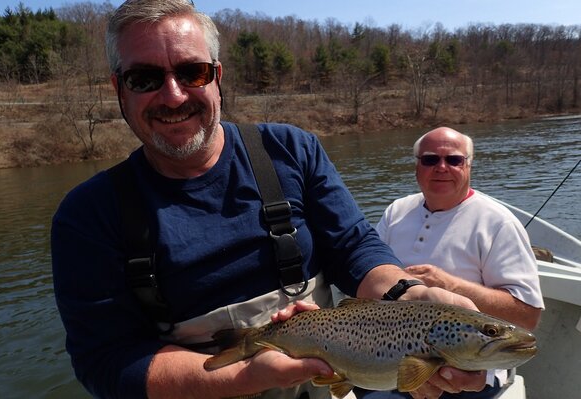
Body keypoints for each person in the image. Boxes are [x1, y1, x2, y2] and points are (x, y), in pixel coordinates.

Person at [51, 2, 485, 398]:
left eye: (192, 72)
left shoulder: (290, 150)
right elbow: (107, 363)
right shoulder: (88, 215)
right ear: (119, 89)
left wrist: (407, 296)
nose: (173, 95)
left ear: (217, 78)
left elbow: (352, 247)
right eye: (144, 78)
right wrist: (249, 375)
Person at [356, 127, 544, 399]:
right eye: (430, 159)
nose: (442, 167)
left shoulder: (499, 223)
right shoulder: (396, 211)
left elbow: (528, 315)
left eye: (454, 160)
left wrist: (450, 285)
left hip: (465, 371)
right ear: (417, 166)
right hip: (387, 355)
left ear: (469, 165)